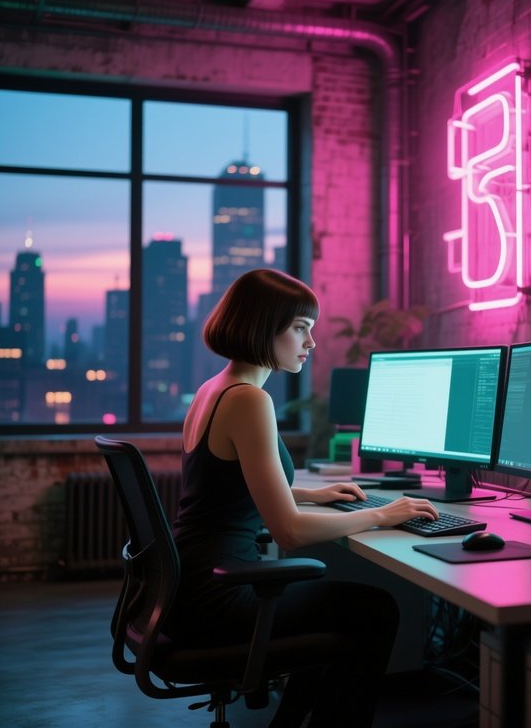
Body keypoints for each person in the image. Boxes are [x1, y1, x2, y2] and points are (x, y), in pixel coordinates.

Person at [170, 268, 439, 728]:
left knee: (342, 608)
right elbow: (288, 530)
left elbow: (227, 483)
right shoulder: (248, 400)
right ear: (261, 326)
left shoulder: (213, 390)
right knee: (374, 611)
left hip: (191, 584)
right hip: (219, 596)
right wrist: (380, 515)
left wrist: (311, 492)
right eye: (300, 328)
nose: (310, 343)